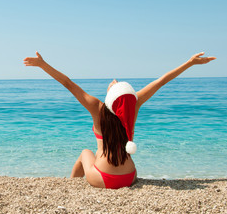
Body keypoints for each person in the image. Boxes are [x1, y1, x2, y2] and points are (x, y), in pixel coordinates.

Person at [23, 52, 216, 189]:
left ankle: (72, 186)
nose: (114, 82)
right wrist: (189, 63)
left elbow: (68, 84)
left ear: (111, 97)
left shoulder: (97, 108)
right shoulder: (134, 106)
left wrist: (43, 65)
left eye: (115, 86)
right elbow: (161, 81)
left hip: (104, 177)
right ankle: (73, 185)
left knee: (85, 153)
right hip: (130, 177)